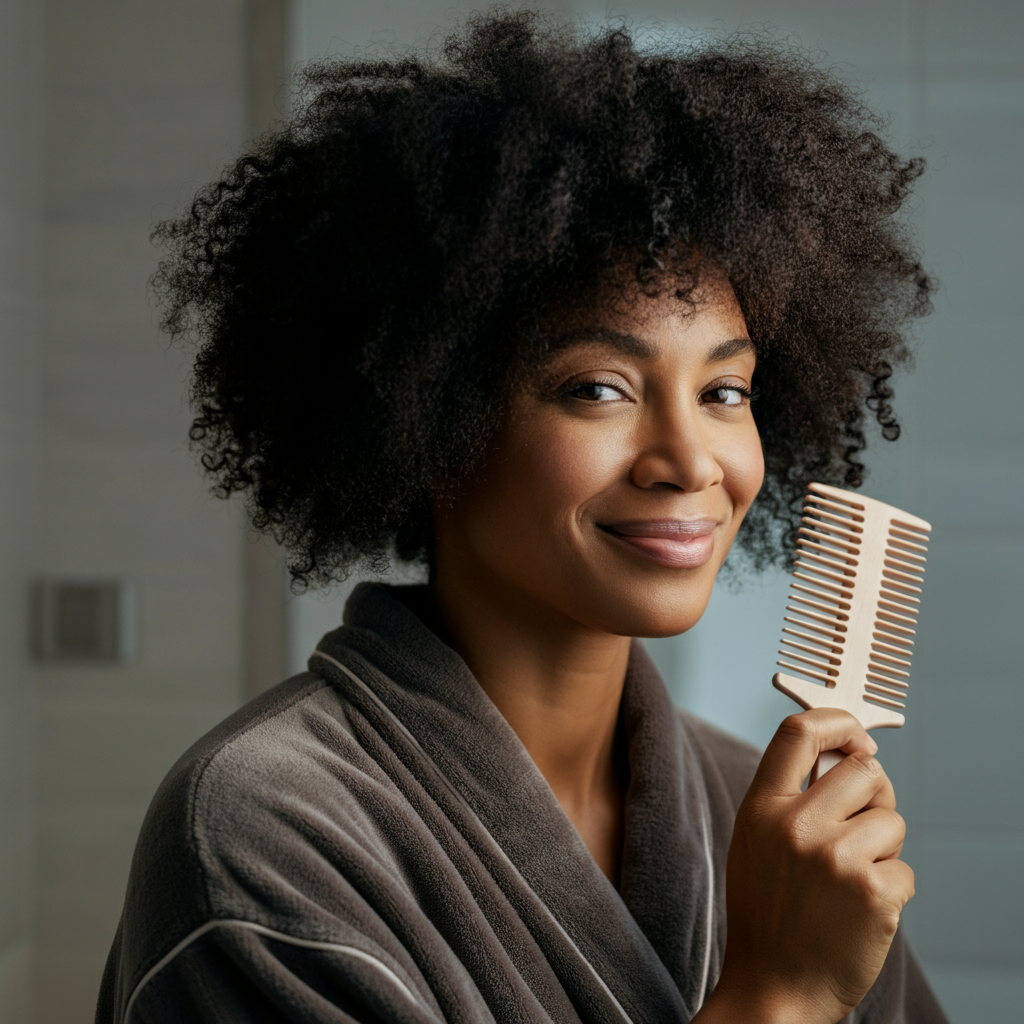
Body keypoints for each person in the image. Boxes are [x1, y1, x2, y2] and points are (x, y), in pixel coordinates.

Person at [96, 12, 948, 1023]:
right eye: (596, 389)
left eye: (725, 392)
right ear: (427, 422)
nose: (688, 462)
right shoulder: (261, 832)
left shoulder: (755, 811)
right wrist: (779, 992)